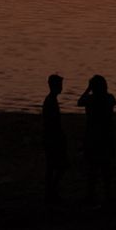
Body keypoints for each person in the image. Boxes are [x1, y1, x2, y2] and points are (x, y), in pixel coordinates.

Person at [77, 74, 116, 205]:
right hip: (105, 136)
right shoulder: (109, 98)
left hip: (92, 136)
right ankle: (107, 195)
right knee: (105, 168)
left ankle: (91, 195)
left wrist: (87, 89)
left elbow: (79, 102)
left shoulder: (90, 99)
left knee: (93, 168)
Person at [42, 74, 68, 205]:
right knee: (57, 165)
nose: (61, 87)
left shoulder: (50, 100)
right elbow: (53, 122)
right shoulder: (50, 101)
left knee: (52, 166)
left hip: (50, 136)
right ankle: (51, 192)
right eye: (60, 85)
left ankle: (50, 192)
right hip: (53, 137)